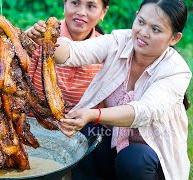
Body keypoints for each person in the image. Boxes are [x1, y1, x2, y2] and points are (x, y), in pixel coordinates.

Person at [42, 0, 189, 179]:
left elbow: (143, 111)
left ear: (174, 38)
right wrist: (48, 40)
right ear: (135, 17)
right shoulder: (120, 41)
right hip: (112, 142)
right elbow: (75, 52)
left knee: (134, 159)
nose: (143, 33)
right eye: (141, 22)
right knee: (85, 135)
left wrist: (94, 114)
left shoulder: (176, 70)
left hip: (149, 158)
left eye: (155, 29)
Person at [26, 0, 109, 108]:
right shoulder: (39, 35)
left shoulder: (105, 48)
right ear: (64, 4)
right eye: (75, 3)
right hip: (35, 120)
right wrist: (25, 41)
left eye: (91, 6)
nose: (81, 12)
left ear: (103, 12)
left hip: (83, 122)